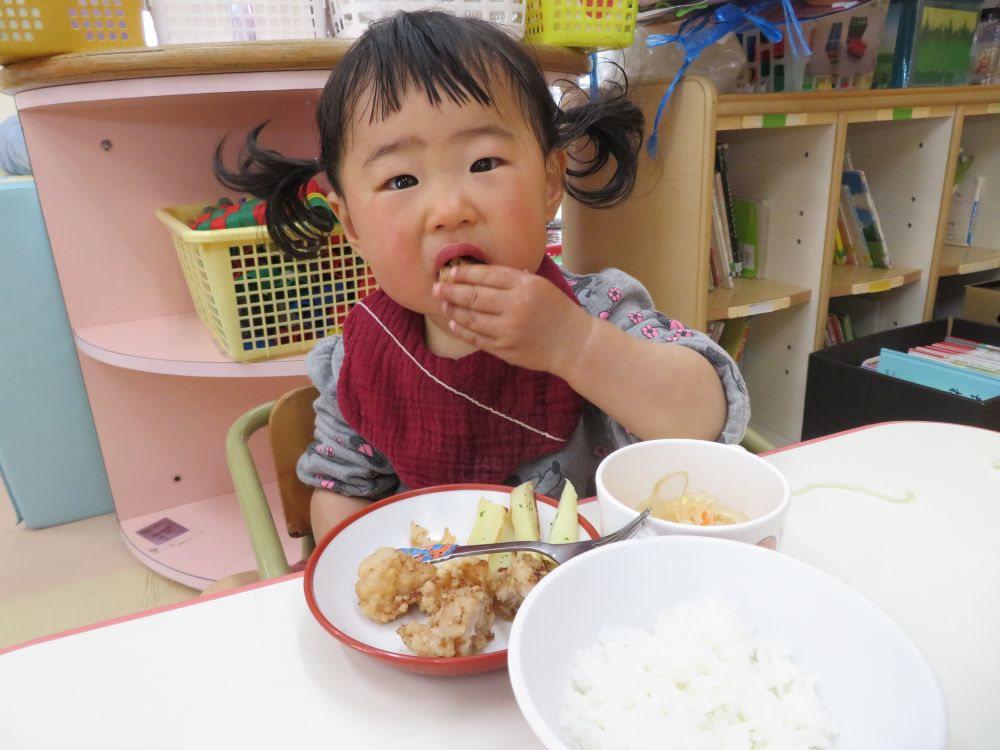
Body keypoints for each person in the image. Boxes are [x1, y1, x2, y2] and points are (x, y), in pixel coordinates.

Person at [215, 10, 750, 549]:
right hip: (444, 606)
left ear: (549, 181)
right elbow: (340, 493)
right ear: (351, 224)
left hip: (590, 596)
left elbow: (704, 421)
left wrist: (576, 346)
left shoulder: (595, 312)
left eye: (484, 163)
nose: (450, 209)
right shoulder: (361, 358)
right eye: (401, 179)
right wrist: (383, 571)